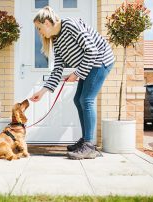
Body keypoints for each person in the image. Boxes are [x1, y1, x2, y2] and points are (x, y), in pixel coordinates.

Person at [29, 6, 115, 160]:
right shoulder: (56, 41)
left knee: (86, 100)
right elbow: (57, 69)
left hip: (101, 61)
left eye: (39, 28)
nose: (39, 32)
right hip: (89, 64)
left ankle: (89, 146)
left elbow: (92, 50)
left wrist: (76, 73)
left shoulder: (70, 25)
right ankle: (86, 140)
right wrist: (42, 92)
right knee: (78, 99)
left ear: (47, 23)